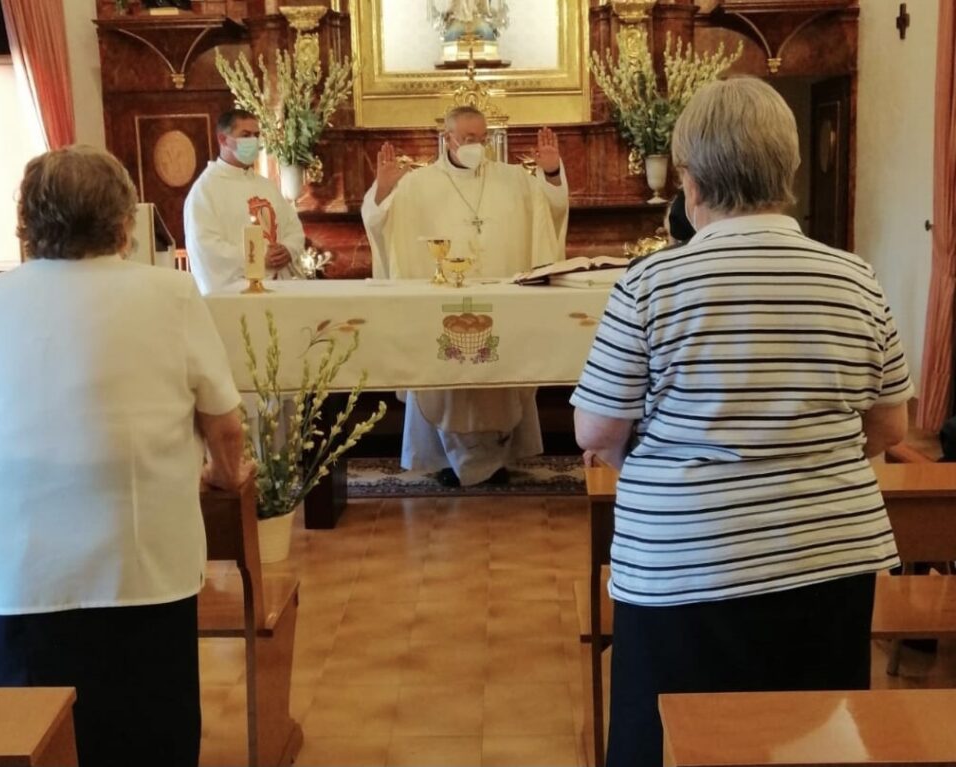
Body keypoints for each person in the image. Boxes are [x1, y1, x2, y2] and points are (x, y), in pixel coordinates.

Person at [571, 77, 912, 767]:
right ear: (785, 171)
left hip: (683, 562)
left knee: (669, 743)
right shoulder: (855, 277)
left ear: (689, 184)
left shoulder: (649, 285)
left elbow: (595, 433)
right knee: (813, 741)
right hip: (829, 560)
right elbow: (891, 425)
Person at [0, 146, 251, 767]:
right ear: (124, 224)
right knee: (148, 736)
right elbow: (223, 427)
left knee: (34, 742)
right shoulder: (169, 294)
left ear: (27, 226)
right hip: (138, 565)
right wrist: (227, 477)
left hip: (18, 568)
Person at [361, 104, 569, 486]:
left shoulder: (516, 180)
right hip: (442, 306)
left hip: (501, 303)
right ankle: (443, 458)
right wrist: (384, 191)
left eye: (482, 137)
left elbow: (550, 214)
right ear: (447, 139)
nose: (477, 144)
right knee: (446, 377)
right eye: (468, 138)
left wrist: (552, 173)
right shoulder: (418, 184)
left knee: (497, 376)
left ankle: (499, 457)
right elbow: (379, 224)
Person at [184, 108, 305, 295]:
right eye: (246, 135)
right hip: (235, 295)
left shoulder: (267, 186)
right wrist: (259, 257)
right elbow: (206, 248)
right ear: (223, 140)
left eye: (257, 135)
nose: (254, 141)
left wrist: (288, 250)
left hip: (280, 290)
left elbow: (293, 228)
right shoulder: (205, 190)